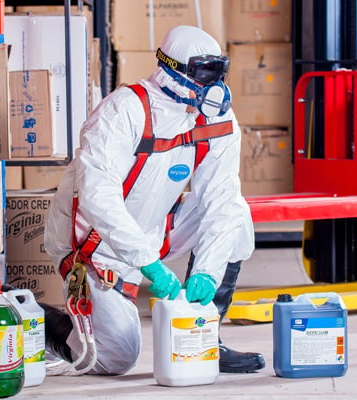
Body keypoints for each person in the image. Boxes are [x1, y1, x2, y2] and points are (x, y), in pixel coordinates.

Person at [43, 25, 264, 375]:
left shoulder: (217, 118)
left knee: (237, 215)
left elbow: (221, 198)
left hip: (155, 225)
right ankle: (42, 323)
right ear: (173, 70)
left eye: (219, 73)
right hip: (94, 244)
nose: (216, 87)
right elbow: (98, 198)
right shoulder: (123, 111)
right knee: (117, 358)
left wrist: (208, 270)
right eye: (205, 74)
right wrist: (148, 263)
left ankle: (208, 338)